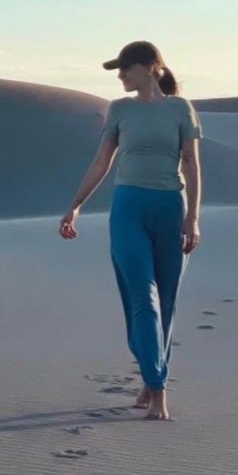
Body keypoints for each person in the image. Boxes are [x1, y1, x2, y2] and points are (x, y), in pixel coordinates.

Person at [59, 41, 202, 421]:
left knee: (166, 303)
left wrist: (193, 219)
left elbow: (190, 163)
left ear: (151, 67)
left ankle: (151, 375)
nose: (120, 76)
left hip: (171, 208)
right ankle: (157, 389)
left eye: (125, 68)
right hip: (128, 209)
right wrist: (75, 205)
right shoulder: (119, 109)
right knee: (142, 296)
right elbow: (102, 162)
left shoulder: (180, 109)